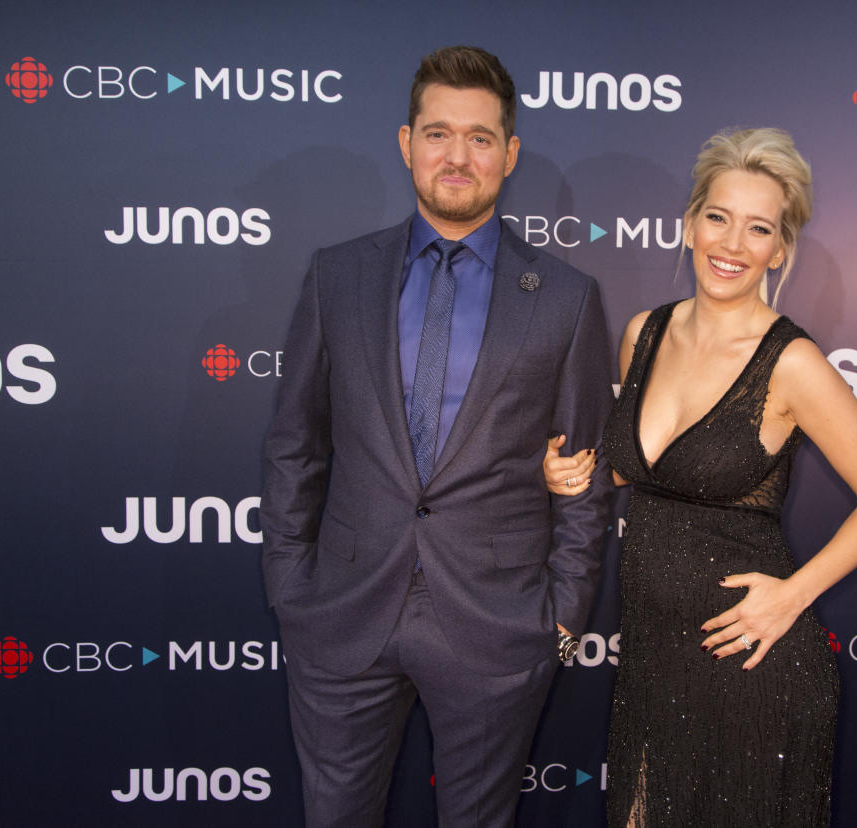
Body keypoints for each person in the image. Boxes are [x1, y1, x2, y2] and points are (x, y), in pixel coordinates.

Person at [260, 45, 614, 828]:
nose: (458, 157)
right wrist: (291, 587)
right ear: (406, 142)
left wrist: (561, 613)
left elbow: (585, 468)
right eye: (438, 133)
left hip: (497, 626)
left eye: (481, 138)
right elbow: (296, 446)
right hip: (342, 615)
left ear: (510, 153)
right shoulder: (336, 276)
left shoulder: (565, 298)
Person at [546, 128, 857, 826]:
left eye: (759, 229)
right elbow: (639, 468)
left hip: (752, 670)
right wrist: (568, 470)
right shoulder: (643, 333)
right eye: (718, 217)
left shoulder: (791, 362)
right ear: (689, 225)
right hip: (653, 661)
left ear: (781, 248)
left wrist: (791, 598)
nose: (733, 244)